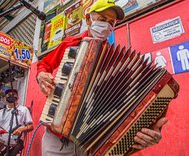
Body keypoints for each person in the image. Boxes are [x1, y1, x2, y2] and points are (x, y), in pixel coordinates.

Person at [36, 0, 168, 155]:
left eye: (111, 22)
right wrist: (41, 75)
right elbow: (44, 64)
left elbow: (129, 103)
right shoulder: (71, 44)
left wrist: (147, 130)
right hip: (57, 138)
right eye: (102, 19)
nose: (107, 25)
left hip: (91, 141)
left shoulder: (118, 61)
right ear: (88, 20)